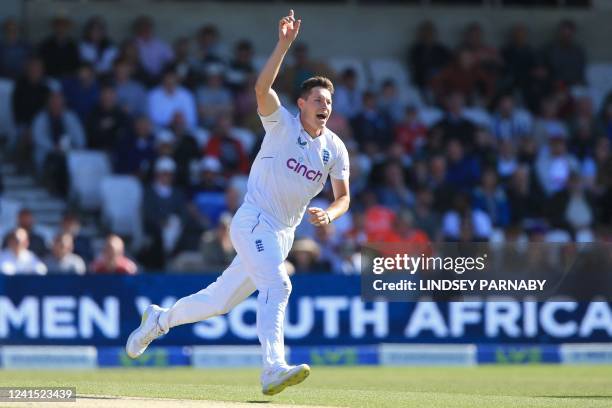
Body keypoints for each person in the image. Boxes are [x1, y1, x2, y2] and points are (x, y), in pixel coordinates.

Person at [126, 10, 350, 396]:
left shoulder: (335, 149)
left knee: (218, 301)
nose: (324, 106)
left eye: (328, 101)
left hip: (283, 234)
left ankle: (159, 320)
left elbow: (344, 197)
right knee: (279, 286)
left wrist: (329, 213)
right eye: (317, 99)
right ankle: (272, 368)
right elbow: (262, 90)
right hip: (252, 221)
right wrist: (283, 45)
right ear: (301, 103)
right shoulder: (282, 125)